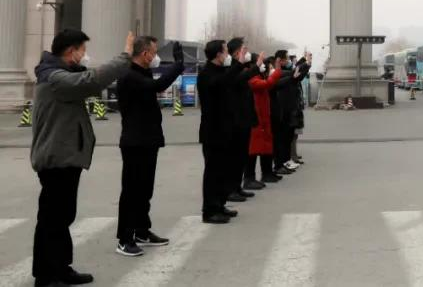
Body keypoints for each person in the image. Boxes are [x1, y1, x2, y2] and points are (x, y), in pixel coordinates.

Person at [31, 29, 134, 287]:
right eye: (82, 50)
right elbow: (91, 80)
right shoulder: (54, 78)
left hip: (66, 156)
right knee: (52, 219)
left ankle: (61, 267)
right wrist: (125, 56)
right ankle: (46, 275)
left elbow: (88, 79)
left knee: (62, 215)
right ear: (70, 51)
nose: (84, 55)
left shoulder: (60, 75)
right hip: (56, 157)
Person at [114, 37, 185, 257]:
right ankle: (125, 238)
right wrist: (177, 65)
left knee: (145, 189)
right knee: (132, 190)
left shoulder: (141, 72)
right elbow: (158, 85)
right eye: (154, 52)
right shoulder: (129, 75)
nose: (156, 57)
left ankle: (142, 230)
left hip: (147, 138)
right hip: (135, 141)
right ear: (144, 54)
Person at [197, 39, 256, 224]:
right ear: (218, 54)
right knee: (213, 172)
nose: (227, 55)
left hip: (225, 129)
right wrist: (239, 63)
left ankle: (220, 204)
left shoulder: (219, 71)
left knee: (222, 171)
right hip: (213, 130)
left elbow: (233, 79)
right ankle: (209, 210)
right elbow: (222, 82)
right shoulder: (206, 73)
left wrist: (244, 65)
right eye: (225, 51)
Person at [226, 37, 261, 203]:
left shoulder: (241, 68)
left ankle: (237, 187)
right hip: (236, 120)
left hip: (245, 118)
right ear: (237, 53)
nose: (247, 52)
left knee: (242, 156)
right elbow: (240, 79)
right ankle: (231, 189)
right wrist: (257, 67)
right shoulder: (231, 69)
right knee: (234, 157)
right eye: (244, 50)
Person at [244, 51, 284, 189]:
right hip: (256, 117)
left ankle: (267, 173)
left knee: (265, 146)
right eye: (261, 62)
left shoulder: (257, 76)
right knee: (253, 150)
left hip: (263, 117)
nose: (265, 66)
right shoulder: (251, 78)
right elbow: (267, 84)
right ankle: (249, 178)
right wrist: (277, 71)